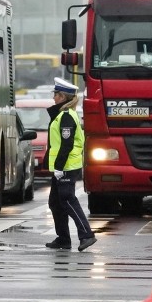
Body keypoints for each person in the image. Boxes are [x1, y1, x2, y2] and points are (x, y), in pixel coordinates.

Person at [44, 77, 96, 252]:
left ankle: (87, 235)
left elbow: (66, 145)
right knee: (55, 202)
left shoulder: (66, 116)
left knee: (68, 200)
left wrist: (59, 167)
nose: (53, 98)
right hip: (61, 166)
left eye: (56, 95)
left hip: (66, 166)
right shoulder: (61, 115)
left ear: (63, 97)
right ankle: (63, 238)